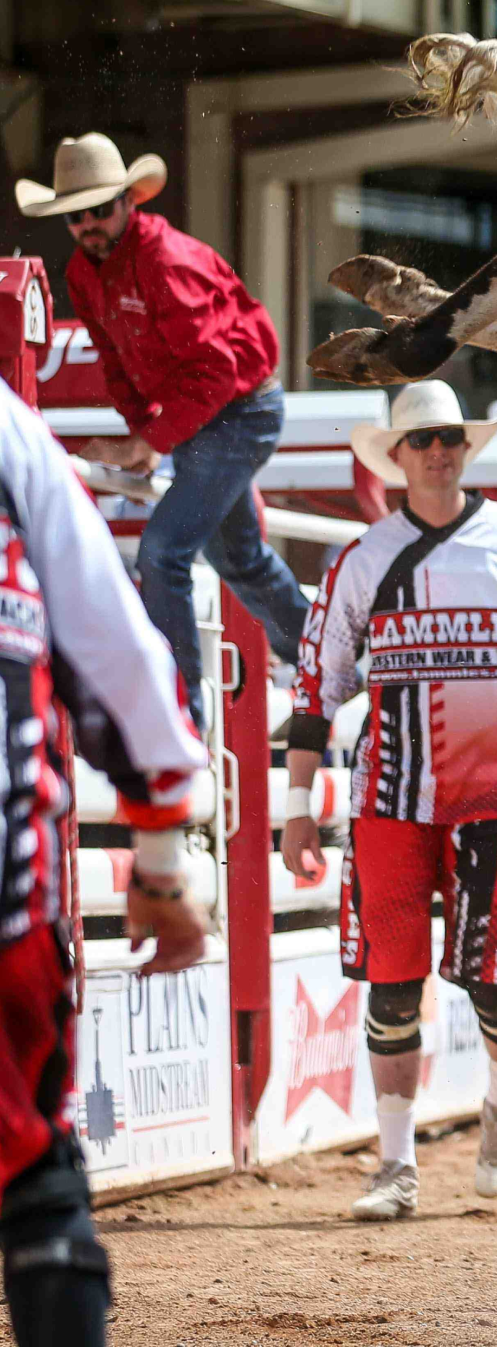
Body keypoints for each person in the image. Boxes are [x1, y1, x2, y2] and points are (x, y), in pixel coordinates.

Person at [281, 379, 497, 1221]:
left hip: (496, 793)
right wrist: (297, 804)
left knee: (495, 983)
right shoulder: (363, 559)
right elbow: (317, 685)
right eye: (423, 439)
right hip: (390, 796)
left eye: (450, 436)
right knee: (390, 985)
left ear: (465, 447)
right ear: (399, 455)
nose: (439, 450)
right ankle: (394, 1163)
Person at [0, 380, 208, 1347]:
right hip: (9, 896)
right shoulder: (9, 434)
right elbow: (113, 645)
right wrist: (160, 851)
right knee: (32, 1170)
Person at [15, 134, 312, 729]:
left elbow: (217, 371)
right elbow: (117, 366)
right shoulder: (83, 271)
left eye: (100, 208)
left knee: (163, 552)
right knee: (239, 559)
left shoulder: (165, 260)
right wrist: (144, 434)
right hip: (207, 418)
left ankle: (183, 720)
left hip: (241, 411)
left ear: (128, 202)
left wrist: (147, 442)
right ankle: (327, 667)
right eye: (76, 215)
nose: (89, 224)